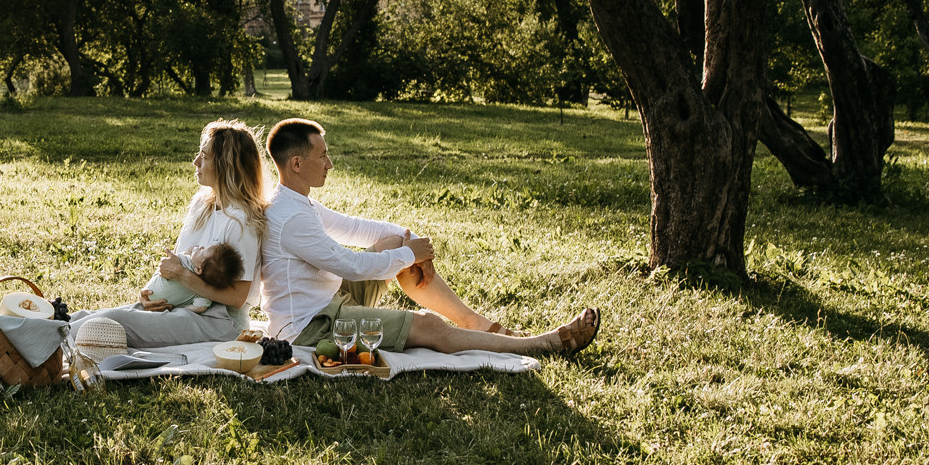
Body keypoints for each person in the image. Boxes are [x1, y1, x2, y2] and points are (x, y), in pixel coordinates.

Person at [260, 117, 599, 358]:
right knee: (430, 327)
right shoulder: (291, 218)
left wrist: (414, 246)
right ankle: (543, 344)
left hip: (331, 300)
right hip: (312, 328)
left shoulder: (298, 202)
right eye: (322, 155)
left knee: (396, 243)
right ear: (297, 164)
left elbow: (357, 229)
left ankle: (472, 322)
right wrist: (411, 255)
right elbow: (352, 265)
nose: (330, 163)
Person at [74, 119, 268, 347]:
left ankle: (49, 341)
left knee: (109, 323)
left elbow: (236, 298)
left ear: (226, 166)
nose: (195, 162)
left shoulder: (241, 221)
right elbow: (177, 264)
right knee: (88, 316)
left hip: (219, 321)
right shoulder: (202, 204)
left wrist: (180, 275)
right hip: (180, 304)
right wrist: (149, 294)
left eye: (204, 157)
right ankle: (46, 329)